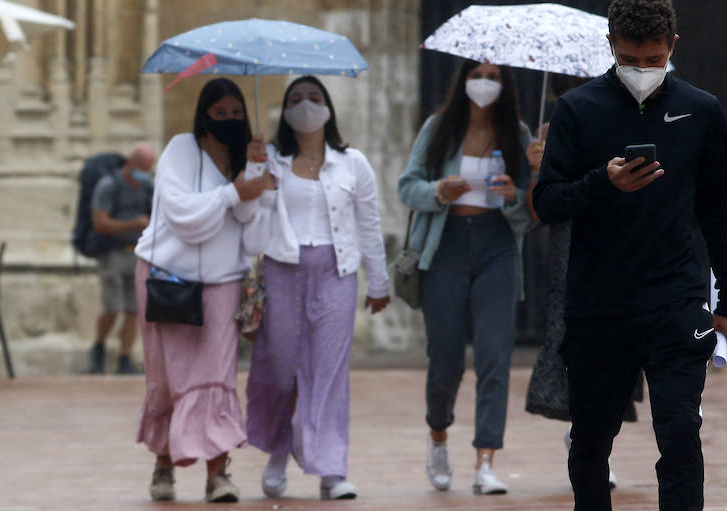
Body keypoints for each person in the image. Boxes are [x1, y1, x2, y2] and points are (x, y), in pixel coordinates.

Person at [532, 0, 727, 511]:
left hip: (676, 301)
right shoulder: (577, 110)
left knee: (679, 435)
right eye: (630, 59)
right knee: (590, 445)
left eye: (654, 59)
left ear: (672, 45)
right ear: (610, 45)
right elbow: (547, 202)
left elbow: (722, 213)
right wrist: (603, 183)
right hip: (598, 305)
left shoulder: (701, 110)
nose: (643, 68)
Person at [242, 75, 391, 501]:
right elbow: (250, 224)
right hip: (281, 270)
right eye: (296, 99)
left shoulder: (352, 162)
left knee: (327, 373)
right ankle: (277, 450)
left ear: (328, 107)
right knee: (279, 369)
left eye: (313, 97)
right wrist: (257, 174)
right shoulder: (269, 159)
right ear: (285, 111)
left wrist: (378, 281)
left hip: (336, 272)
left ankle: (330, 468)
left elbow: (369, 223)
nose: (305, 105)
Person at [134, 77, 274, 503]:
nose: (229, 120)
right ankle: (163, 463)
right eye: (220, 113)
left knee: (216, 379)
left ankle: (218, 474)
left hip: (222, 283)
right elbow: (180, 215)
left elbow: (251, 234)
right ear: (203, 114)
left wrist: (254, 176)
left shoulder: (242, 157)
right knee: (166, 377)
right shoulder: (181, 148)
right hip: (166, 277)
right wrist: (231, 193)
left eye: (236, 113)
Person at [397, 60, 533, 495]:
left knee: (494, 356)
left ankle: (485, 460)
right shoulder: (439, 128)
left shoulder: (519, 134)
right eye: (478, 75)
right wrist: (439, 191)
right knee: (446, 361)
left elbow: (533, 208)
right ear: (463, 81)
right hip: (446, 246)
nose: (484, 84)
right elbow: (407, 186)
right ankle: (438, 435)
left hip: (496, 246)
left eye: (494, 78)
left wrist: (516, 195)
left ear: (505, 85)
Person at [523, 80, 640, 492]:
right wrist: (537, 169)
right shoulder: (545, 133)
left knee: (616, 338)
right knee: (572, 332)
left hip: (613, 240)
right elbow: (540, 209)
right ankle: (586, 435)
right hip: (567, 244)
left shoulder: (620, 118)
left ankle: (596, 434)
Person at [88, 142, 157, 375]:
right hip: (112, 253)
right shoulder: (109, 185)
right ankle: (98, 347)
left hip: (137, 253)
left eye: (148, 169)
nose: (143, 174)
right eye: (141, 168)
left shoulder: (147, 187)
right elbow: (100, 222)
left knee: (133, 309)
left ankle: (125, 358)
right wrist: (133, 224)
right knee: (112, 307)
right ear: (130, 162)